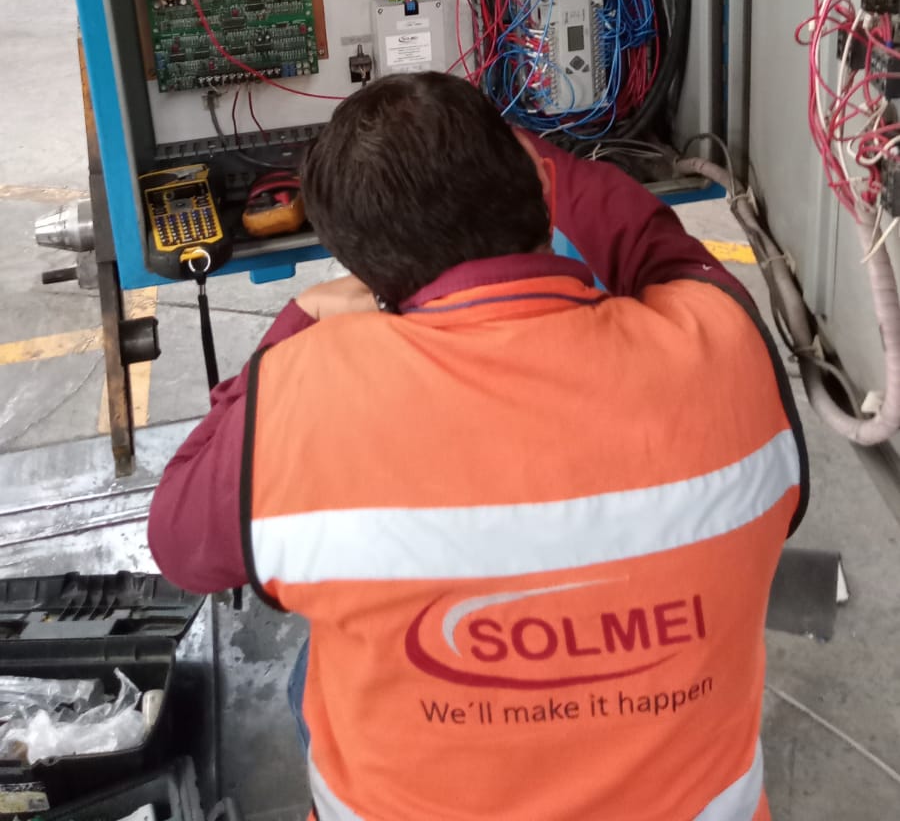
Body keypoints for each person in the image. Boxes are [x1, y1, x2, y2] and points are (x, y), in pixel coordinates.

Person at [149, 72, 807, 821]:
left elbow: (180, 545)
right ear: (541, 189)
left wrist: (298, 322)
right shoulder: (723, 350)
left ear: (367, 273)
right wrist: (545, 166)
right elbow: (656, 247)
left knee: (313, 672)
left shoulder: (298, 398)